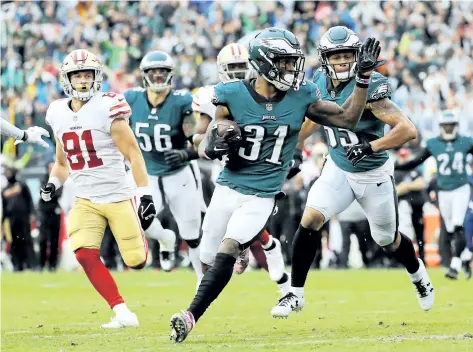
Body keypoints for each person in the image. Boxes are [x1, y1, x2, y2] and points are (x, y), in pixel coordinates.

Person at [169, 27, 383, 343]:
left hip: (262, 194)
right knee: (206, 257)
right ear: (265, 63)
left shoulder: (303, 95)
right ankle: (238, 251)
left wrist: (362, 79)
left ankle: (189, 317)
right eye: (284, 63)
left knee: (227, 247)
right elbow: (212, 133)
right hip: (228, 186)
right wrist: (217, 138)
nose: (291, 70)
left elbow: (349, 119)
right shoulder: (231, 93)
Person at [271, 26, 433, 319]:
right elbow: (314, 121)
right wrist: (295, 147)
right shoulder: (319, 81)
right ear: (324, 59)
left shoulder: (371, 85)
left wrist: (372, 147)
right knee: (310, 219)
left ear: (358, 57)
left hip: (372, 173)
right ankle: (294, 293)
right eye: (336, 56)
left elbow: (408, 130)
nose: (342, 61)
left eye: (347, 55)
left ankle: (417, 273)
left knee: (387, 240)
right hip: (338, 166)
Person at [40, 49, 157, 328]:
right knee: (84, 253)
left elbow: (133, 154)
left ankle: (158, 237)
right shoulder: (57, 112)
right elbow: (61, 163)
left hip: (117, 195)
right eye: (77, 75)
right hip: (86, 198)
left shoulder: (108, 107)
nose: (82, 80)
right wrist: (52, 184)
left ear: (97, 77)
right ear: (66, 79)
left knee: (137, 260)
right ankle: (121, 311)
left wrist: (145, 195)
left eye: (87, 74)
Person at [192, 43, 291, 295]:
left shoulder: (264, 91)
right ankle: (257, 247)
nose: (237, 73)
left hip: (258, 166)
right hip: (225, 167)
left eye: (241, 67)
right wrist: (212, 141)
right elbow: (197, 138)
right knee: (219, 228)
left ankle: (260, 248)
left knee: (246, 218)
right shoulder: (210, 95)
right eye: (232, 68)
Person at [124, 51, 203, 280]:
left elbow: (199, 142)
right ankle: (165, 239)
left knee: (191, 234)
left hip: (178, 174)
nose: (158, 76)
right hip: (145, 173)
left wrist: (185, 154)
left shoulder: (182, 101)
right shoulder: (131, 99)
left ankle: (201, 283)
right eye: (153, 72)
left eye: (162, 72)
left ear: (170, 74)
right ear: (144, 75)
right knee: (138, 221)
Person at [396, 110, 473, 279]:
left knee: (458, 224)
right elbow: (415, 162)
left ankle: (455, 265)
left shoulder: (466, 141)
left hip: (461, 188)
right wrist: (394, 166)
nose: (448, 128)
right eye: (445, 125)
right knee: (452, 229)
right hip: (443, 190)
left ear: (456, 126)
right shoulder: (433, 144)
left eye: (451, 125)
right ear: (440, 126)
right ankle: (466, 256)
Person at [2, 166, 37, 271]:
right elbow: (4, 206)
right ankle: (18, 265)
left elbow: (30, 201)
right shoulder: (5, 190)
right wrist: (3, 220)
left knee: (27, 240)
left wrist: (32, 214)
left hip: (24, 217)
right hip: (12, 219)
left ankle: (32, 265)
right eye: (7, 173)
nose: (8, 175)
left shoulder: (22, 185)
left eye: (10, 172)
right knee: (14, 242)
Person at [38, 162, 63, 272]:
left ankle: (53, 265)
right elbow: (42, 195)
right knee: (42, 240)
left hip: (54, 213)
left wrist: (48, 193)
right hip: (44, 213)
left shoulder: (59, 181)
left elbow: (57, 194)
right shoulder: (43, 180)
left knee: (54, 240)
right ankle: (41, 264)